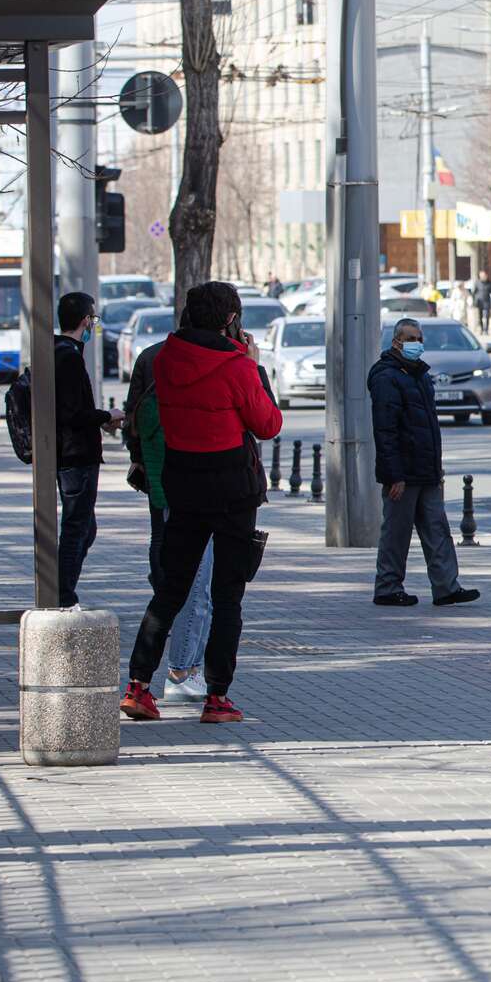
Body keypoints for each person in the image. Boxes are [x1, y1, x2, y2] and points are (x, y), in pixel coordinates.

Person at [119, 281, 284, 725]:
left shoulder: (166, 358)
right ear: (231, 319)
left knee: (171, 590)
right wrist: (251, 365)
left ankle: (138, 686)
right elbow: (267, 424)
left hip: (183, 484)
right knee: (227, 596)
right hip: (232, 489)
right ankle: (217, 697)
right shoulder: (237, 367)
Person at [125, 336, 215, 704]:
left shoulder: (151, 368)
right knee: (194, 587)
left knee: (173, 580)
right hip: (194, 495)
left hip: (163, 492)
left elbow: (134, 423)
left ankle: (166, 674)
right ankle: (180, 670)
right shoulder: (187, 390)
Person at [370, 318, 480, 608]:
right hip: (403, 473)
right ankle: (388, 587)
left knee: (437, 529)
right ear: (397, 342)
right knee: (397, 531)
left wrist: (436, 470)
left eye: (419, 338)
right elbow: (386, 430)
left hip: (426, 470)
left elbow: (428, 426)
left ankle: (446, 587)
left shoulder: (419, 374)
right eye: (411, 338)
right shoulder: (386, 376)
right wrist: (394, 475)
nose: (417, 343)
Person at [52, 293, 123, 608]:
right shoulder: (67, 356)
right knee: (77, 527)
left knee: (85, 528)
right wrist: (108, 416)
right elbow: (72, 413)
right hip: (75, 455)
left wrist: (100, 419)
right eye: (92, 319)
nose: (93, 325)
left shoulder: (58, 352)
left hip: (71, 452)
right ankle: (62, 595)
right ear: (85, 321)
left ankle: (61, 589)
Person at [474, 270, 491, 334]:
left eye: (484, 275)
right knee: (480, 316)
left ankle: (486, 329)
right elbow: (474, 293)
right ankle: (481, 329)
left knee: (487, 316)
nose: (483, 277)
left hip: (487, 301)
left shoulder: (490, 283)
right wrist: (474, 302)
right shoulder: (477, 283)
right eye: (482, 276)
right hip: (479, 302)